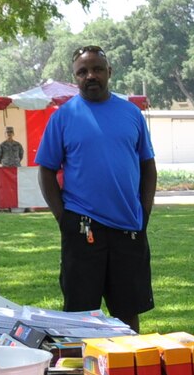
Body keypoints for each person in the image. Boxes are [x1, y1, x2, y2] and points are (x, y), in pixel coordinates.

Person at [35, 44, 158, 330]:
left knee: (127, 315)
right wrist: (63, 218)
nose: (90, 75)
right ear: (75, 76)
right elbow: (46, 172)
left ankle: (129, 370)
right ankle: (81, 374)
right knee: (80, 317)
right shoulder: (63, 117)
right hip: (82, 228)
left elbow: (147, 166)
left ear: (109, 72)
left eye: (97, 69)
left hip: (129, 228)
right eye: (83, 71)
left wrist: (144, 211)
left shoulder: (131, 114)